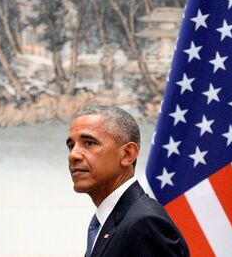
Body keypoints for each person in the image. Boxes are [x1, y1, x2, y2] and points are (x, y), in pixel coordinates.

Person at [66, 105, 189, 257]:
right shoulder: (110, 221)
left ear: (127, 154)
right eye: (71, 146)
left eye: (89, 143)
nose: (73, 155)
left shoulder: (144, 223)